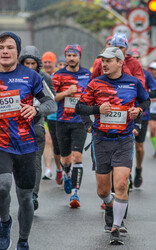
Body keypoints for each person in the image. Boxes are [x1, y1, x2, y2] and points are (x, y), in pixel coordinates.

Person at [75, 47, 150, 245]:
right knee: (103, 190)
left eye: (108, 60)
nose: (104, 64)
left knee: (122, 183)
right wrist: (96, 110)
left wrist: (138, 110)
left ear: (120, 62)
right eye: (102, 61)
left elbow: (146, 100)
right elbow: (80, 107)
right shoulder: (95, 84)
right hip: (101, 140)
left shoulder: (133, 82)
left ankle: (116, 226)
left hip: (124, 139)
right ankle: (109, 205)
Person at [0, 32, 55, 250]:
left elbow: (51, 104)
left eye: (10, 47)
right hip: (1, 144)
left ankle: (23, 240)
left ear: (18, 52)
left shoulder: (31, 76)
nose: (5, 51)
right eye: (1, 47)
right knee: (2, 187)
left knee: (25, 198)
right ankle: (4, 223)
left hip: (25, 145)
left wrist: (36, 108)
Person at [18, 45, 57, 210]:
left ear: (37, 65)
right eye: (26, 63)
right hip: (15, 126)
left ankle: (33, 195)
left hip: (36, 124)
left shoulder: (44, 78)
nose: (29, 67)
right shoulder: (14, 77)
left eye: (32, 64)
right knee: (17, 163)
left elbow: (52, 103)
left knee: (34, 161)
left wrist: (37, 109)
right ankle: (21, 193)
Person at [52, 44, 91, 208]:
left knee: (77, 157)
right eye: (68, 55)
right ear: (65, 57)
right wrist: (67, 93)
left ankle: (75, 193)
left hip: (79, 122)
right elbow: (51, 98)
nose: (71, 58)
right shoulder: (58, 75)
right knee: (65, 158)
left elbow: (92, 95)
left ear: (79, 57)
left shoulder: (87, 74)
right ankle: (66, 173)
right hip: (62, 121)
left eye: (74, 55)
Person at [129, 49, 156, 187]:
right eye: (132, 57)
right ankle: (126, 172)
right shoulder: (123, 74)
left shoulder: (146, 74)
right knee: (126, 145)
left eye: (137, 57)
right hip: (126, 114)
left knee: (139, 147)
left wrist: (143, 92)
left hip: (142, 114)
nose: (135, 60)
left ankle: (138, 169)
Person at [41, 51, 59, 180]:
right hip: (46, 115)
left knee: (57, 143)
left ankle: (61, 167)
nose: (47, 65)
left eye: (49, 62)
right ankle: (48, 169)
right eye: (45, 62)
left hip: (60, 115)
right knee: (48, 141)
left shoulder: (59, 75)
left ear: (54, 63)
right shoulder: (39, 75)